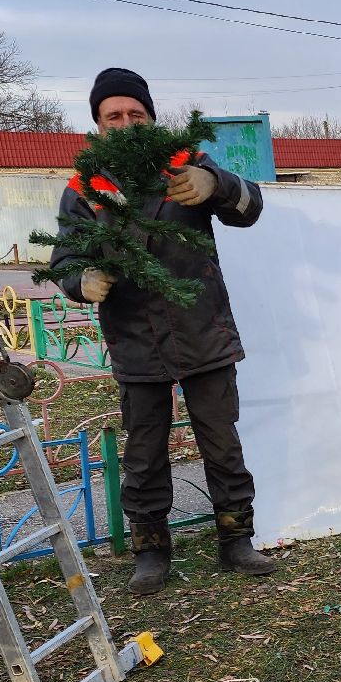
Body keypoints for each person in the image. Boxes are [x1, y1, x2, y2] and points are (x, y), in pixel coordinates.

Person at [51, 67, 277, 596]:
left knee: (222, 442)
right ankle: (150, 551)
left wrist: (216, 185)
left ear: (151, 117)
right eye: (113, 115)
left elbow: (251, 208)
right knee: (144, 451)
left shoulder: (186, 164)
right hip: (134, 337)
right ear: (98, 124)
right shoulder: (85, 188)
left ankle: (236, 539)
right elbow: (65, 257)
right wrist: (80, 281)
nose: (126, 122)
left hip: (203, 329)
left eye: (136, 113)